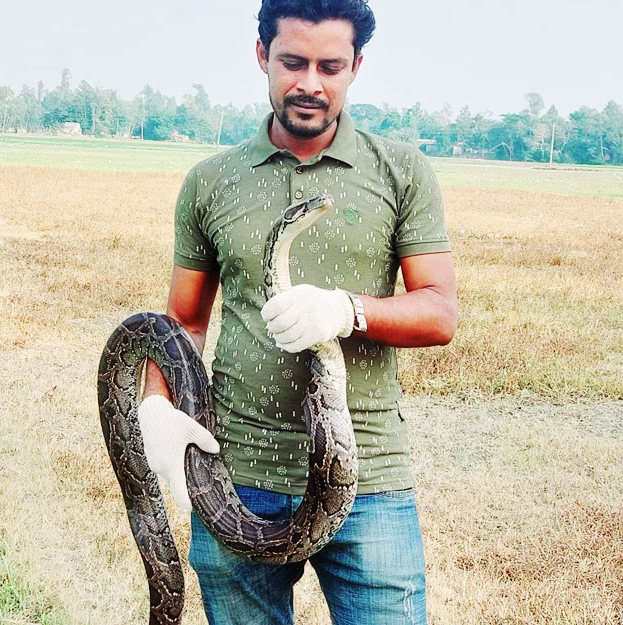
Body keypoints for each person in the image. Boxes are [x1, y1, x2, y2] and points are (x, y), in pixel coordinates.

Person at [137, 1, 457, 623]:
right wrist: (155, 405)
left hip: (369, 475)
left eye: (329, 66)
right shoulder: (211, 180)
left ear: (356, 67)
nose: (310, 83)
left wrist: (347, 311)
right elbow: (185, 323)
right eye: (293, 62)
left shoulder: (401, 171)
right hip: (233, 472)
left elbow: (440, 313)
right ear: (262, 55)